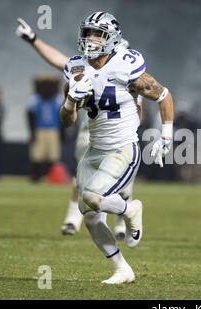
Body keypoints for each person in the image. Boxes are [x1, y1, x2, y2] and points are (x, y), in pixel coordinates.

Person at [59, 12, 174, 284]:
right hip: (94, 150)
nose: (90, 39)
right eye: (88, 32)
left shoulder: (125, 65)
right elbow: (66, 121)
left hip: (122, 147)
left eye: (97, 33)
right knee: (90, 219)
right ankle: (122, 269)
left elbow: (164, 96)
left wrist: (166, 137)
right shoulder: (75, 68)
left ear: (111, 38)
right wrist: (70, 102)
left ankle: (130, 210)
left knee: (90, 196)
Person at [16, 17, 134, 238]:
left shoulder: (128, 72)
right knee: (83, 174)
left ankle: (122, 218)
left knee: (119, 179)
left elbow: (143, 103)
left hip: (119, 135)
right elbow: (59, 60)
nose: (92, 40)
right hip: (91, 130)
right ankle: (74, 217)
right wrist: (33, 39)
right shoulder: (85, 65)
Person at [27, 74, 63, 182]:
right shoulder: (35, 99)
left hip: (53, 130)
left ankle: (51, 176)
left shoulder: (58, 99)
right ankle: (36, 176)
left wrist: (62, 131)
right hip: (40, 129)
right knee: (37, 154)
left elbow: (62, 116)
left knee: (53, 155)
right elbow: (30, 115)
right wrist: (32, 131)